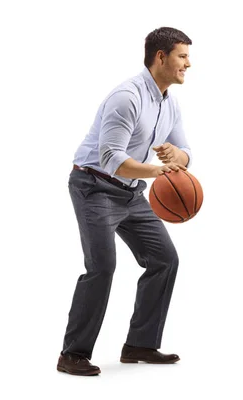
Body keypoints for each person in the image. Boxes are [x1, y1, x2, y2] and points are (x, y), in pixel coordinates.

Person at [57, 27, 193, 376]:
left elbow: (184, 152)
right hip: (94, 186)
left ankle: (140, 345)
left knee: (165, 259)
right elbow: (110, 158)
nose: (188, 64)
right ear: (160, 57)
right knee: (101, 267)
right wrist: (158, 172)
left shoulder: (168, 102)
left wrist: (180, 156)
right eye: (182, 56)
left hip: (131, 192)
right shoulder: (127, 97)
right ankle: (72, 354)